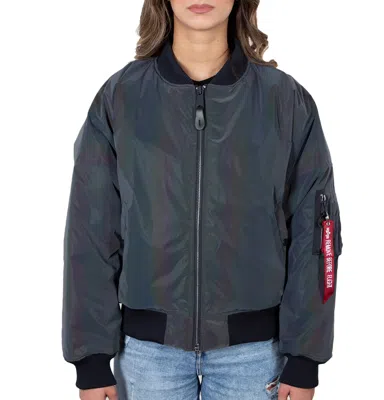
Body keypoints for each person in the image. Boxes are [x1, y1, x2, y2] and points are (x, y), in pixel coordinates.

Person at [61, 0, 343, 399]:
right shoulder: (121, 97)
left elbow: (316, 232)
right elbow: (90, 232)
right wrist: (91, 360)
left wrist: (304, 358)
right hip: (146, 355)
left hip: (256, 355)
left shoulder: (285, 100)